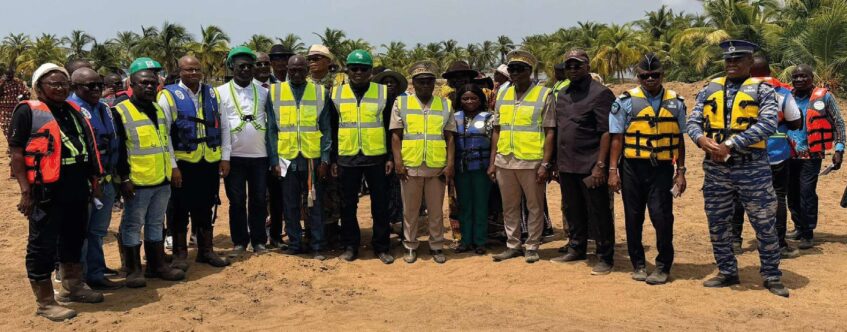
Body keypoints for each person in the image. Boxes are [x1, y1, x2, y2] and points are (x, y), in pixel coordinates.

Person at [686, 40, 788, 297]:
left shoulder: (763, 91)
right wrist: (700, 139)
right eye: (728, 60)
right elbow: (693, 121)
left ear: (749, 63)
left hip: (751, 168)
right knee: (718, 222)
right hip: (716, 169)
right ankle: (727, 271)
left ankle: (772, 275)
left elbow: (767, 125)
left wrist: (730, 145)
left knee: (764, 222)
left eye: (738, 60)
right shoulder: (709, 89)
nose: (732, 64)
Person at [11, 63, 105, 321]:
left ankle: (73, 286)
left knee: (74, 236)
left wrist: (94, 181)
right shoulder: (26, 112)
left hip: (76, 184)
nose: (60, 88)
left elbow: (87, 146)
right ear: (39, 87)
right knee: (42, 244)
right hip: (46, 189)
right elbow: (17, 154)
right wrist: (25, 192)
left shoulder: (74, 110)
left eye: (64, 83)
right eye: (53, 84)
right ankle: (45, 302)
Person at [607, 54, 687, 285]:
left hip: (661, 168)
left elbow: (679, 140)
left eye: (655, 75)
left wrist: (680, 172)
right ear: (638, 76)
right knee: (633, 217)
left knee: (662, 217)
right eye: (645, 75)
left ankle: (663, 265)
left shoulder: (676, 102)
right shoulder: (625, 101)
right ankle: (638, 264)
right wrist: (613, 170)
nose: (650, 79)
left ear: (663, 75)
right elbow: (617, 139)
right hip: (632, 166)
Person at [114, 58, 185, 288]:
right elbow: (119, 150)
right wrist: (124, 179)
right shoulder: (120, 111)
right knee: (133, 225)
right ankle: (134, 269)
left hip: (161, 179)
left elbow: (165, 143)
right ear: (131, 85)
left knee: (155, 223)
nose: (149, 87)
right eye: (143, 83)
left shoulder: (158, 109)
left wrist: (173, 169)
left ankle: (157, 265)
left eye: (153, 84)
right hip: (138, 181)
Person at [157, 55, 230, 271]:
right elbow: (165, 134)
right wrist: (172, 166)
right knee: (179, 209)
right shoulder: (168, 96)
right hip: (183, 163)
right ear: (179, 71)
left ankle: (206, 250)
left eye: (197, 69)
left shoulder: (213, 93)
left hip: (208, 161)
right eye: (188, 70)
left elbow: (224, 126)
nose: (194, 74)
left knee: (206, 206)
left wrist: (225, 157)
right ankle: (180, 253)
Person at [548, 49, 616, 275]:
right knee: (572, 208)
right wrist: (555, 162)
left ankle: (605, 256)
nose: (573, 69)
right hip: (567, 164)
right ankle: (577, 247)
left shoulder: (601, 94)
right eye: (569, 66)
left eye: (578, 65)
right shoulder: (563, 94)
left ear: (587, 66)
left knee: (598, 212)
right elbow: (559, 129)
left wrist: (600, 165)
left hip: (590, 164)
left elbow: (607, 132)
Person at [730, 56, 803, 257]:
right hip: (776, 154)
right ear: (770, 73)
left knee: (738, 196)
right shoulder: (781, 93)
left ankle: (735, 241)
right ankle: (779, 244)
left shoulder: (733, 93)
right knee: (778, 197)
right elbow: (796, 122)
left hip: (743, 154)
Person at [488, 50, 554, 264]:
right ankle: (513, 245)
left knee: (534, 206)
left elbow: (550, 131)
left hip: (531, 160)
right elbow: (497, 130)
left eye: (519, 69)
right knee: (509, 205)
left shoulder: (545, 94)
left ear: (529, 71)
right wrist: (493, 161)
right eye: (511, 69)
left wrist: (546, 163)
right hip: (505, 159)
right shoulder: (503, 94)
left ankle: (533, 245)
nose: (514, 73)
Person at [329, 49, 395, 264]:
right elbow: (332, 128)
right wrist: (333, 159)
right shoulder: (336, 94)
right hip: (347, 157)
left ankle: (382, 246)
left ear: (370, 71)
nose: (358, 72)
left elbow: (390, 128)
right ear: (347, 70)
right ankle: (351, 245)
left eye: (363, 69)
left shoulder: (383, 93)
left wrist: (390, 158)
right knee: (348, 205)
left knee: (380, 204)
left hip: (376, 157)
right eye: (354, 68)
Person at [266, 54, 332, 260]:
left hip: (312, 158)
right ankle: (295, 243)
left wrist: (325, 159)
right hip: (287, 158)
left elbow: (326, 129)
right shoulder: (275, 92)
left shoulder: (320, 93)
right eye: (292, 70)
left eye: (300, 70)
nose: (295, 73)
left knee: (314, 204)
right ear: (286, 70)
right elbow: (271, 130)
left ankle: (318, 245)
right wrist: (274, 160)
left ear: (307, 71)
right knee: (290, 204)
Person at [390, 61, 456, 264]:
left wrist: (450, 163)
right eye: (421, 81)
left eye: (429, 81)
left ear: (434, 83)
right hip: (411, 165)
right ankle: (410, 245)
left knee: (436, 210)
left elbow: (450, 136)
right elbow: (396, 136)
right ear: (414, 83)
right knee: (410, 210)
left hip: (436, 165)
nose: (425, 85)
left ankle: (436, 246)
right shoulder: (401, 103)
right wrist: (398, 162)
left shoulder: (445, 104)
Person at [67, 68, 123, 290]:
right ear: (75, 87)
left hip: (108, 179)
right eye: (89, 86)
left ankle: (96, 272)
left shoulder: (106, 109)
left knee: (98, 231)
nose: (96, 90)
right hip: (85, 183)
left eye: (99, 85)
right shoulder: (71, 110)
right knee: (80, 232)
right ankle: (78, 279)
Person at [217, 46, 273, 256]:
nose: (246, 70)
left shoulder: (264, 92)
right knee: (237, 201)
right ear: (232, 67)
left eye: (250, 66)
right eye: (241, 66)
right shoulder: (220, 92)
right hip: (233, 157)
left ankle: (259, 241)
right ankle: (240, 241)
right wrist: (223, 158)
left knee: (259, 199)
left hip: (260, 156)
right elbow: (220, 126)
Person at [786, 64, 846, 250]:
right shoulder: (786, 96)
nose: (799, 80)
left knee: (807, 193)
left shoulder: (824, 97)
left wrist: (839, 149)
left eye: (804, 76)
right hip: (788, 154)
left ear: (812, 77)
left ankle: (808, 232)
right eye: (796, 76)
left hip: (812, 155)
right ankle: (798, 226)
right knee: (791, 193)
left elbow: (839, 124)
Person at [309, 44, 344, 246]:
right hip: (310, 144)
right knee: (310, 190)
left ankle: (332, 230)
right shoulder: (302, 83)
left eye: (317, 58)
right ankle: (312, 231)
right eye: (310, 58)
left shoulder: (339, 84)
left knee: (333, 189)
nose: (312, 62)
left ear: (328, 61)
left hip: (337, 142)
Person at [453, 83, 494, 255]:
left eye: (473, 98)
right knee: (464, 205)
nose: (469, 101)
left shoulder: (489, 118)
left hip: (481, 168)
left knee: (481, 204)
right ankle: (465, 240)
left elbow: (494, 144)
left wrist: (492, 165)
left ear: (480, 99)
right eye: (465, 98)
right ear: (460, 100)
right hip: (461, 169)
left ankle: (480, 241)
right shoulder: (453, 118)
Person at [372, 69, 409, 232]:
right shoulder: (376, 104)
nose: (389, 85)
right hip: (380, 152)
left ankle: (400, 223)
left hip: (401, 151)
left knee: (400, 189)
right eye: (385, 82)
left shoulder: (404, 104)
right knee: (383, 190)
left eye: (392, 82)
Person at [1, 68, 31, 147]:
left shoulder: (18, 82)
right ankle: (11, 145)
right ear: (5, 74)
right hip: (4, 111)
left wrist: (24, 96)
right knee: (6, 129)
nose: (9, 76)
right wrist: (2, 83)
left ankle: (13, 146)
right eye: (7, 75)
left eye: (10, 75)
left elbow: (26, 92)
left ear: (13, 74)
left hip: (16, 109)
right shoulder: (1, 82)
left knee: (15, 128)